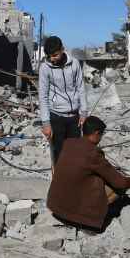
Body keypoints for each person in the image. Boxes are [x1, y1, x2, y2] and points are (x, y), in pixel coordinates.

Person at [47, 116, 130, 230]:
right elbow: (120, 182)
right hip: (75, 215)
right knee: (112, 186)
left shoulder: (68, 143)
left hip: (55, 205)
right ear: (96, 133)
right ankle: (89, 219)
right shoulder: (93, 153)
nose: (100, 139)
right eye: (101, 135)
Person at [38, 36, 86, 164]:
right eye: (49, 56)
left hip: (74, 117)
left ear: (62, 49)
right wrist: (46, 123)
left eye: (55, 55)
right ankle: (61, 181)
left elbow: (81, 88)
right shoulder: (45, 68)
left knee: (75, 153)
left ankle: (74, 181)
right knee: (59, 154)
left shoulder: (75, 63)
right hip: (56, 117)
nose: (52, 59)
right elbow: (43, 96)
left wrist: (83, 112)